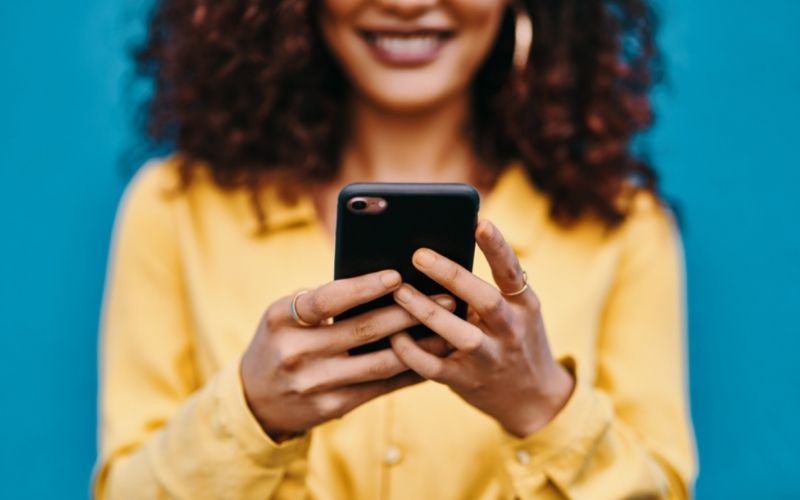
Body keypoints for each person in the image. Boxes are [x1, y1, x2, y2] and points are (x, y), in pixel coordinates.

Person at [93, 0, 697, 497]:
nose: (407, 5)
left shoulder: (624, 226)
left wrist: (543, 407)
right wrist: (251, 415)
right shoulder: (173, 208)